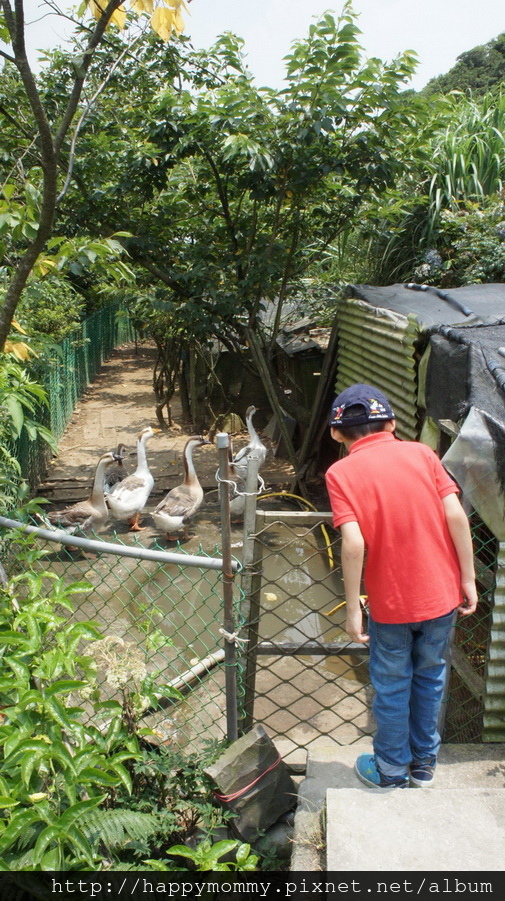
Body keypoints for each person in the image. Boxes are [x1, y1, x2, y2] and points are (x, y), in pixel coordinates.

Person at [325, 383, 478, 790]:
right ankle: (424, 766)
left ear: (337, 434)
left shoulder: (340, 473)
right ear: (391, 423)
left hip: (390, 606)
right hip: (441, 596)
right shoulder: (422, 454)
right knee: (430, 678)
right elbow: (456, 518)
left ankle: (391, 771)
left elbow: (353, 541)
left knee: (392, 686)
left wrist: (354, 608)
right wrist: (467, 578)